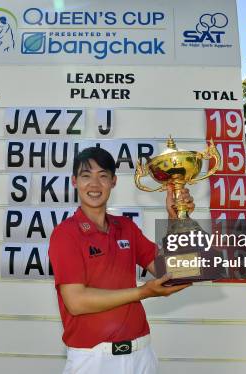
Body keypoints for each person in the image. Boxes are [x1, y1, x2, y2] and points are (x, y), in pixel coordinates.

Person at [48, 147, 195, 374]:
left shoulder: (126, 227)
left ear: (113, 182)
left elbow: (175, 271)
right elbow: (76, 302)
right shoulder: (65, 234)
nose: (95, 185)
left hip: (141, 355)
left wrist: (177, 218)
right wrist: (142, 292)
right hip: (93, 360)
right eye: (86, 176)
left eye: (103, 176)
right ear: (74, 182)